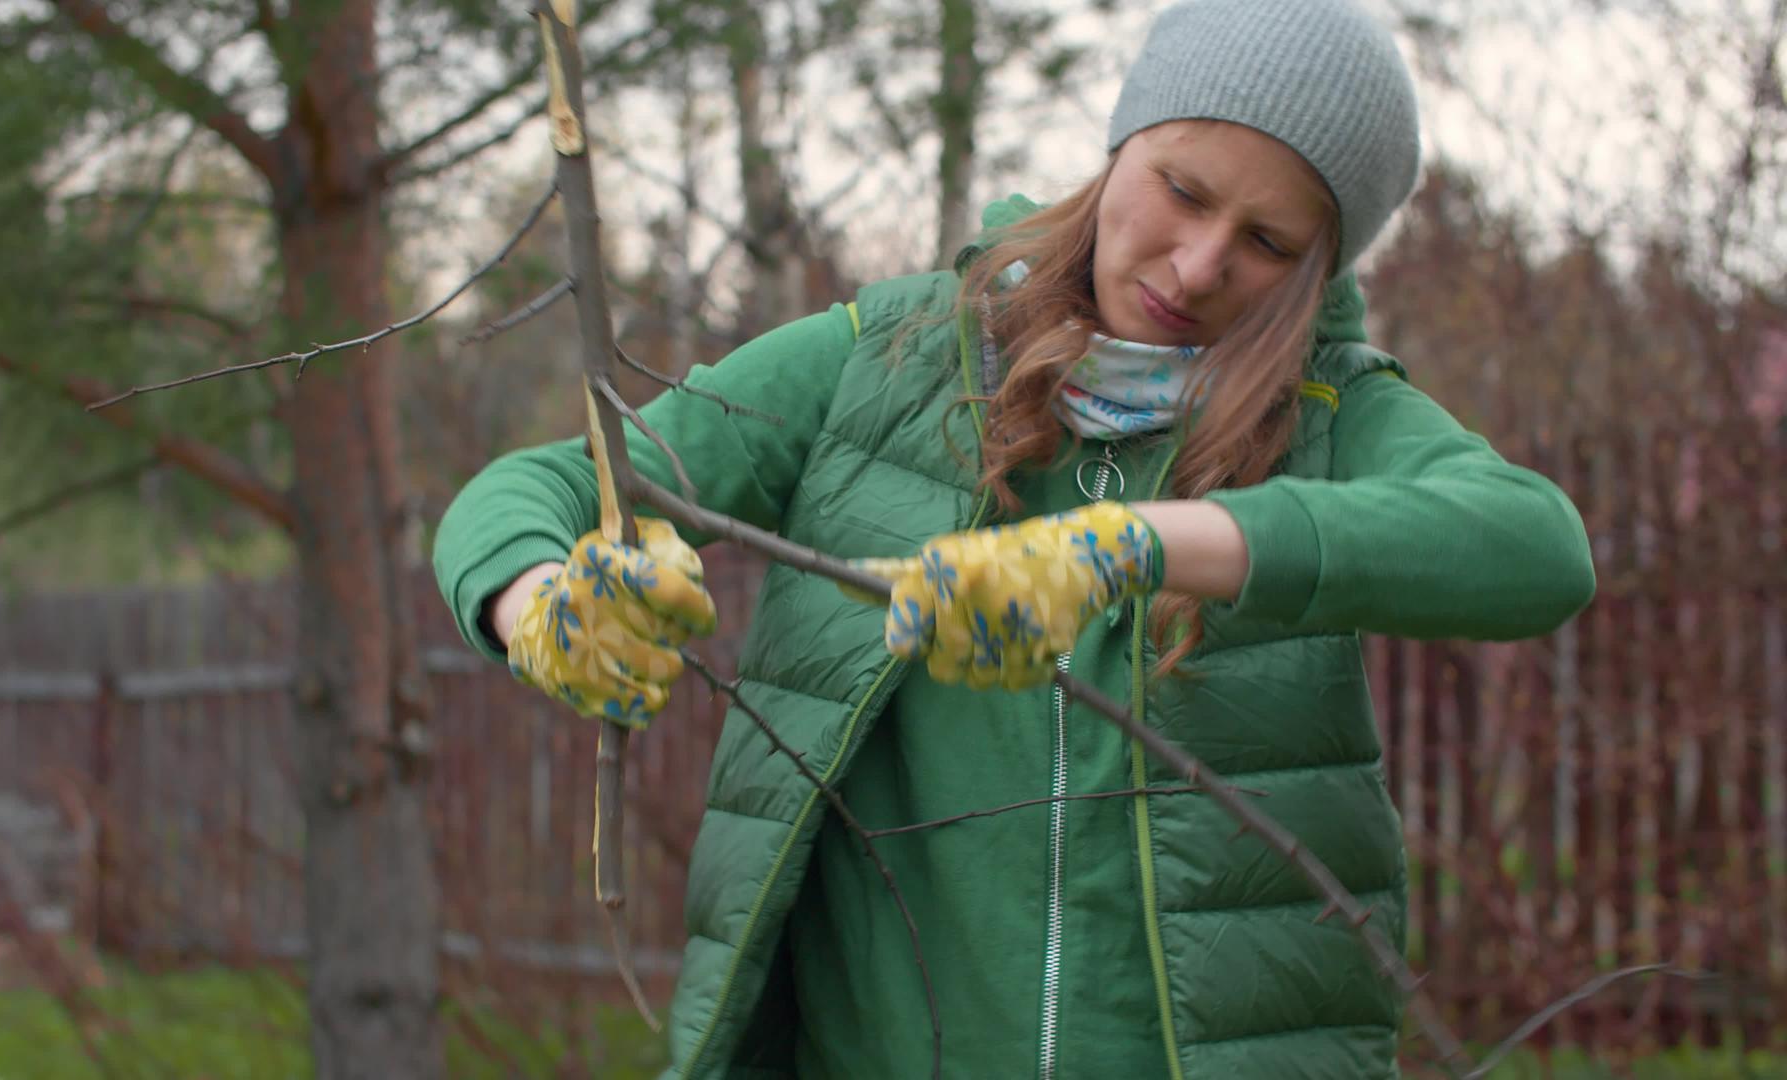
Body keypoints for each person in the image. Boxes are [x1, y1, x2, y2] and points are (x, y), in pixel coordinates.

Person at [433, 0, 1597, 1075]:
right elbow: (548, 484)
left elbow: (1537, 549)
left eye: (1271, 243)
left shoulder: (1335, 414)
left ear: (1320, 272)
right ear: (1118, 147)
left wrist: (1139, 546)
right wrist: (535, 600)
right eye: (1183, 190)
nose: (1200, 266)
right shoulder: (888, 360)